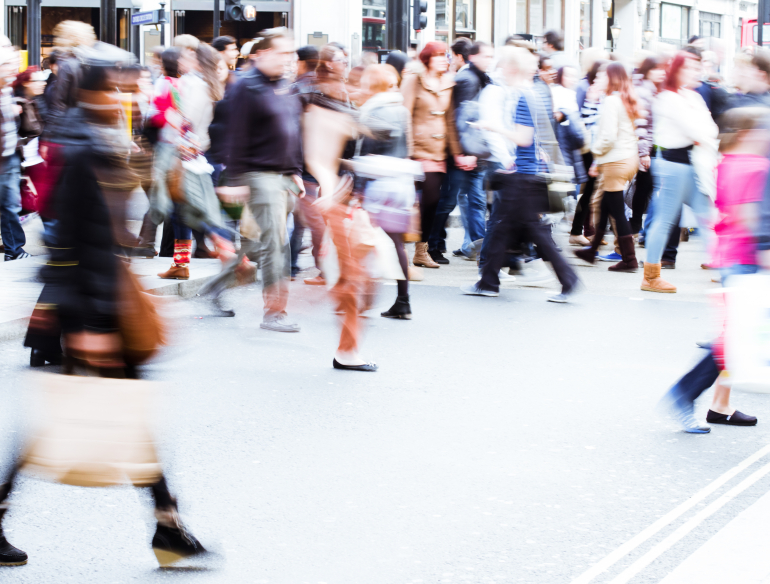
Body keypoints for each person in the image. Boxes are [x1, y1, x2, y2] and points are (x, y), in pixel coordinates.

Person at [5, 43, 208, 569]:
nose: (134, 92)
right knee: (87, 419)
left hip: (99, 298)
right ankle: (167, 528)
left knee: (110, 415)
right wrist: (90, 321)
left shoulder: (95, 137)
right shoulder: (82, 145)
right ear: (99, 90)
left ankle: (168, 526)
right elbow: (69, 239)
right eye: (124, 84)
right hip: (90, 305)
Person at [661, 107, 768, 433]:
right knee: (734, 338)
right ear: (748, 134)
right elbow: (752, 214)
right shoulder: (757, 166)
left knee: (733, 335)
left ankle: (717, 405)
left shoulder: (727, 164)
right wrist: (764, 250)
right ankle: (685, 392)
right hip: (748, 258)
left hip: (730, 256)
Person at [461, 46, 580, 303]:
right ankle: (489, 281)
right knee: (504, 228)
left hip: (522, 178)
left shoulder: (524, 96)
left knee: (531, 232)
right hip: (525, 173)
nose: (500, 69)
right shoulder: (534, 93)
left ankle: (568, 280)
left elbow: (523, 138)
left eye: (503, 65)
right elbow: (535, 137)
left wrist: (493, 127)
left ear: (512, 68)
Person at [226, 28, 304, 333]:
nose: (288, 59)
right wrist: (236, 179)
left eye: (291, 53)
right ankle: (274, 312)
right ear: (263, 54)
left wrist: (295, 169)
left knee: (255, 242)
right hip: (258, 175)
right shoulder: (246, 86)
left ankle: (218, 286)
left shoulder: (286, 86)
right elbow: (235, 134)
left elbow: (293, 130)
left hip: (283, 176)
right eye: (282, 53)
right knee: (276, 245)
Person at [642, 51, 718, 293]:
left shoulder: (689, 96)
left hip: (688, 164)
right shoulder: (668, 98)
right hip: (673, 165)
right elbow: (698, 130)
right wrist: (702, 132)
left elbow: (709, 130)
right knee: (666, 220)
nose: (697, 72)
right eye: (691, 67)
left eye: (698, 67)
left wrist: (703, 133)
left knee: (707, 218)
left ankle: (724, 269)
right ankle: (651, 277)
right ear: (677, 70)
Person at [401, 41, 474, 269]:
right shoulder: (414, 79)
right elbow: (404, 115)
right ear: (427, 59)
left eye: (446, 55)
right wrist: (407, 151)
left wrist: (457, 152)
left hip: (437, 153)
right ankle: (399, 248)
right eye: (439, 55)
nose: (445, 59)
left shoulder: (448, 83)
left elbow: (450, 121)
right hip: (416, 151)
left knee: (432, 201)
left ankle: (421, 251)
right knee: (410, 201)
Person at [356, 64, 414, 319]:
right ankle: (403, 300)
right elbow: (408, 146)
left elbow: (367, 150)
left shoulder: (369, 112)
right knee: (397, 243)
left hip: (378, 183)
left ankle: (364, 299)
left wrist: (356, 189)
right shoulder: (401, 110)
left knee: (365, 242)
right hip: (402, 181)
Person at [429, 41, 493, 264]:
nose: (490, 61)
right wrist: (461, 153)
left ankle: (477, 247)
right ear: (472, 57)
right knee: (447, 202)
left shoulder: (479, 78)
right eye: (486, 56)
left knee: (473, 202)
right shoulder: (467, 79)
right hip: (461, 154)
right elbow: (456, 120)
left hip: (472, 155)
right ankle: (432, 245)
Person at [574, 62, 640, 272]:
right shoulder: (625, 98)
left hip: (615, 161)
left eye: (601, 76)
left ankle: (629, 260)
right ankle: (591, 250)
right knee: (603, 206)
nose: (596, 80)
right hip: (627, 158)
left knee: (617, 211)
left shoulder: (612, 101)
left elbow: (608, 137)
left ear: (611, 78)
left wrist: (596, 152)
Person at [569, 59, 607, 246]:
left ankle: (585, 231)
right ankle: (584, 231)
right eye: (599, 75)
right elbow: (585, 121)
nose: (600, 79)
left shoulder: (599, 93)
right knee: (592, 191)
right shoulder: (587, 89)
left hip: (595, 149)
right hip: (592, 150)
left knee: (592, 191)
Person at [631, 56, 665, 238]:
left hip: (655, 145)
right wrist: (644, 153)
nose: (662, 73)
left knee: (646, 187)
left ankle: (637, 227)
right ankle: (636, 227)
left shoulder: (654, 89)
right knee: (644, 187)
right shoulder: (644, 91)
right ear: (648, 71)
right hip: (648, 147)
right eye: (657, 69)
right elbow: (642, 124)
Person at [0, 40, 27, 261]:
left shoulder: (7, 88)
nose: (12, 68)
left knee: (10, 205)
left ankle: (14, 250)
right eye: (7, 63)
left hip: (10, 156)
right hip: (3, 158)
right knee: (8, 205)